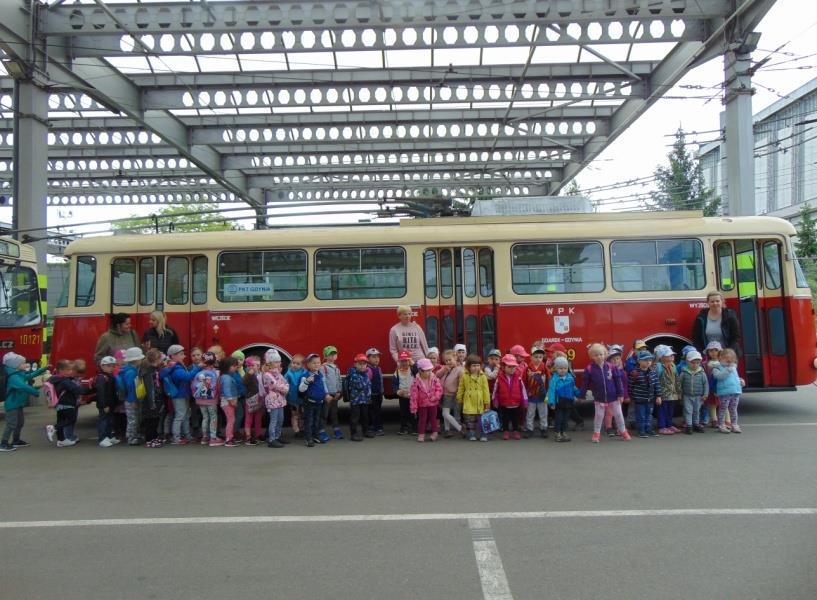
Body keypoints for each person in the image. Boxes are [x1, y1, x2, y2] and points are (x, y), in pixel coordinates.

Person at [581, 343, 629, 443]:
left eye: (601, 354)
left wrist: (621, 394)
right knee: (598, 416)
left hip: (614, 397)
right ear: (592, 357)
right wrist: (582, 395)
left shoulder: (612, 367)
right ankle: (596, 433)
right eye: (596, 355)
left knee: (619, 415)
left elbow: (618, 381)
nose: (599, 356)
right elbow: (585, 383)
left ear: (605, 354)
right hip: (599, 398)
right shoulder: (589, 369)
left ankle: (623, 431)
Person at [0, 353, 46, 452]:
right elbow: (23, 386)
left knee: (20, 423)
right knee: (11, 424)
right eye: (23, 363)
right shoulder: (14, 377)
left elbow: (30, 376)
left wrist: (42, 369)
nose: (25, 365)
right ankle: (3, 443)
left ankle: (16, 440)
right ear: (15, 365)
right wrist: (35, 392)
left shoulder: (18, 374)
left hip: (18, 404)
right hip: (12, 404)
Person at [161, 345, 201, 446]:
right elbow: (186, 377)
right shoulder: (175, 368)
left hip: (182, 394)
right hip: (179, 395)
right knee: (180, 416)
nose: (184, 356)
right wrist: (197, 368)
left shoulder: (176, 366)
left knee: (186, 415)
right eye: (181, 354)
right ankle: (176, 438)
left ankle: (186, 435)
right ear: (173, 356)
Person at [50, 360, 92, 447]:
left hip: (59, 404)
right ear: (61, 371)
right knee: (71, 419)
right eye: (69, 370)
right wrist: (92, 388)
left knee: (61, 420)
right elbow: (78, 390)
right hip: (67, 403)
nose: (71, 372)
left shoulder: (56, 378)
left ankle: (61, 440)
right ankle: (53, 428)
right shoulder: (65, 381)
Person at [492, 354, 527, 440]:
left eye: (514, 367)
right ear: (503, 367)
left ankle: (515, 431)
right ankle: (506, 431)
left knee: (515, 418)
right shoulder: (499, 378)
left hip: (516, 403)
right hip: (504, 403)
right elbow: (495, 391)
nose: (512, 369)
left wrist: (525, 401)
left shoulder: (518, 378)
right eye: (509, 367)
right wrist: (495, 400)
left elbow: (523, 391)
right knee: (505, 418)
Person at [299, 353, 331, 448]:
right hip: (309, 402)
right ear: (308, 365)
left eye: (318, 362)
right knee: (309, 420)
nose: (317, 364)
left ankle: (316, 436)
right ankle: (308, 438)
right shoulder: (305, 375)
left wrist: (326, 394)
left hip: (319, 402)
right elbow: (301, 389)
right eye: (314, 363)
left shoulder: (320, 374)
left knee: (317, 420)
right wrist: (307, 381)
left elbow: (323, 385)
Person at [259, 351, 290, 448]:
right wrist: (285, 388)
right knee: (274, 420)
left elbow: (284, 381)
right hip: (272, 401)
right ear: (270, 363)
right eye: (276, 362)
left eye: (279, 361)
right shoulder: (267, 375)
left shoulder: (278, 373)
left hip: (280, 400)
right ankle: (272, 439)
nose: (279, 363)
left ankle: (277, 436)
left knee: (280, 419)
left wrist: (285, 386)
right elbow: (275, 385)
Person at [456, 354, 490, 442]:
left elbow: (486, 390)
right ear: (468, 366)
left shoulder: (483, 376)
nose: (476, 368)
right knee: (470, 420)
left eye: (478, 365)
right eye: (473, 366)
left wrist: (487, 403)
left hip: (480, 401)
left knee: (482, 420)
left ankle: (483, 434)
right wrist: (459, 398)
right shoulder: (465, 376)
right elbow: (461, 388)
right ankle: (472, 434)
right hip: (469, 401)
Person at [711, 348, 745, 434]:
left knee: (733, 409)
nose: (729, 361)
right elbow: (719, 376)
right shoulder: (717, 368)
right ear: (721, 358)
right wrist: (728, 370)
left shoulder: (733, 367)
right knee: (723, 408)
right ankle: (721, 425)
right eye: (726, 359)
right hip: (725, 392)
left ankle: (734, 425)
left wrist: (740, 381)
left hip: (735, 391)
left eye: (731, 359)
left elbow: (735, 378)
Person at [629, 350, 661, 438]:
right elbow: (630, 385)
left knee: (649, 415)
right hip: (639, 399)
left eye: (650, 360)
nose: (648, 362)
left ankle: (648, 429)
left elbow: (657, 385)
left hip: (650, 399)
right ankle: (641, 430)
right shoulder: (635, 373)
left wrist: (658, 396)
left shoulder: (653, 372)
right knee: (641, 415)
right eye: (645, 360)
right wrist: (631, 396)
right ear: (639, 361)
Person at [409, 358, 443, 443]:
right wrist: (414, 407)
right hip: (422, 404)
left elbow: (439, 389)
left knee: (433, 419)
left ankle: (435, 433)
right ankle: (421, 434)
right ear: (420, 370)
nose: (429, 372)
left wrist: (435, 397)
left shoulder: (434, 378)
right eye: (426, 370)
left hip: (433, 403)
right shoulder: (416, 381)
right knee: (422, 419)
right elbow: (414, 395)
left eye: (429, 370)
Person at [192, 351, 222, 446]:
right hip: (211, 400)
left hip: (200, 399)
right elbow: (218, 387)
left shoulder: (199, 372)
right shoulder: (215, 373)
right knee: (213, 417)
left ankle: (205, 437)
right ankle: (213, 437)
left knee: (205, 417)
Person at [547, 356, 580, 442]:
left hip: (568, 402)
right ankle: (557, 433)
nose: (563, 370)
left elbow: (574, 388)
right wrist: (551, 402)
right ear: (556, 369)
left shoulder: (570, 378)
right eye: (560, 368)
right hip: (559, 403)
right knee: (559, 418)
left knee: (565, 419)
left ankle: (563, 432)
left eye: (565, 368)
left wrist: (579, 394)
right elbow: (551, 391)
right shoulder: (554, 379)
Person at [140, 349, 167, 448]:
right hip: (150, 401)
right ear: (157, 359)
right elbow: (150, 388)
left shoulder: (154, 369)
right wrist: (152, 403)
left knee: (155, 420)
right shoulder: (148, 372)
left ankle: (154, 437)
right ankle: (149, 439)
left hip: (156, 399)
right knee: (150, 421)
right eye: (160, 358)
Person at [118, 347, 145, 446]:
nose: (142, 360)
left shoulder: (130, 370)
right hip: (131, 400)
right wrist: (133, 400)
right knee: (133, 419)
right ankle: (131, 438)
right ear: (136, 360)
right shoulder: (131, 372)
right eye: (140, 359)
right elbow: (130, 387)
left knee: (134, 418)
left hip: (130, 399)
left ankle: (134, 435)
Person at [679, 350, 708, 434]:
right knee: (688, 410)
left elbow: (706, 384)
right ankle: (689, 426)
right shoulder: (684, 372)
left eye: (697, 363)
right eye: (693, 362)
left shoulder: (702, 373)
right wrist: (680, 394)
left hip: (698, 396)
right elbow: (679, 384)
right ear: (687, 362)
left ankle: (696, 424)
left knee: (696, 410)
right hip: (687, 395)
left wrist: (705, 394)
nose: (695, 365)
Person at [93, 356, 120, 448]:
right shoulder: (102, 378)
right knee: (104, 420)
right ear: (102, 366)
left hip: (111, 403)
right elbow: (101, 393)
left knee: (110, 421)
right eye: (108, 366)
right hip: (105, 404)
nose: (111, 368)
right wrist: (104, 405)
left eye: (113, 366)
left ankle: (109, 436)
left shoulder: (110, 376)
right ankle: (102, 438)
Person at [654, 345, 681, 435]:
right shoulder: (658, 367)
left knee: (670, 410)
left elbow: (677, 379)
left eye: (672, 355)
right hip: (663, 394)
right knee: (662, 410)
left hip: (672, 394)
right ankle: (662, 426)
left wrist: (678, 391)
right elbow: (656, 380)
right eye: (669, 355)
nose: (672, 356)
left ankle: (669, 424)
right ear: (661, 357)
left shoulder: (673, 366)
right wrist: (657, 394)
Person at [437, 349, 464, 438]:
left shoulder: (460, 370)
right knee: (446, 413)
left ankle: (459, 428)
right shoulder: (445, 368)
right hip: (444, 393)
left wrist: (460, 394)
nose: (448, 362)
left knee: (445, 413)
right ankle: (447, 430)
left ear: (455, 358)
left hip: (452, 394)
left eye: (450, 360)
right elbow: (437, 375)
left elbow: (461, 383)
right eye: (446, 360)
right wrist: (444, 370)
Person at [347, 353, 373, 441]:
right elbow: (361, 385)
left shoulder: (365, 373)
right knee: (355, 417)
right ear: (355, 364)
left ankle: (365, 430)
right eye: (360, 364)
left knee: (365, 416)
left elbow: (368, 386)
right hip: (356, 400)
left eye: (364, 364)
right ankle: (353, 433)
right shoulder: (353, 374)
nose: (362, 366)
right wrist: (367, 382)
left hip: (365, 400)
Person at [524, 347, 549, 439]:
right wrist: (524, 393)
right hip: (531, 395)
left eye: (540, 357)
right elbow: (524, 381)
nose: (538, 359)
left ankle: (543, 428)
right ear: (531, 357)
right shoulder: (527, 368)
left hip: (542, 395)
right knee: (530, 413)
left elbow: (548, 381)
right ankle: (530, 429)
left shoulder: (544, 368)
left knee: (543, 413)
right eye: (536, 356)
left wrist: (548, 392)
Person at [605, 344, 629, 437]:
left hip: (619, 396)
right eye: (613, 359)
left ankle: (620, 428)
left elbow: (624, 385)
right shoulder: (607, 371)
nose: (616, 361)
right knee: (609, 412)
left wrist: (625, 395)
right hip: (609, 395)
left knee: (619, 413)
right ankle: (608, 427)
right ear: (609, 361)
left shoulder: (622, 372)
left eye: (618, 358)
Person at [320, 345, 343, 441]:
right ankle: (321, 431)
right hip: (327, 395)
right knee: (324, 414)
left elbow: (339, 380)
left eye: (334, 354)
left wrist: (339, 391)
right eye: (330, 354)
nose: (333, 356)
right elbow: (323, 381)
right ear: (325, 356)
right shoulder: (323, 368)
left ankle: (336, 430)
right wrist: (326, 394)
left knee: (334, 413)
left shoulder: (336, 367)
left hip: (335, 394)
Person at [703, 342, 728, 428]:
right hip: (711, 386)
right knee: (712, 404)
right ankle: (714, 420)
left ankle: (727, 421)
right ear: (707, 352)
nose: (713, 353)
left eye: (716, 350)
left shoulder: (724, 363)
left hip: (722, 386)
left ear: (720, 351)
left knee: (724, 404)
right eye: (711, 351)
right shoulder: (705, 364)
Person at [219, 356, 241, 447]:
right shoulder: (227, 378)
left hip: (227, 401)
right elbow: (227, 391)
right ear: (229, 366)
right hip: (227, 402)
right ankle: (229, 439)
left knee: (231, 419)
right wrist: (232, 401)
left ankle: (230, 437)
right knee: (231, 420)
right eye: (235, 366)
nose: (236, 367)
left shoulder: (225, 376)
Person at [242, 357, 264, 445]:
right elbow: (243, 381)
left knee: (258, 418)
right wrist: (248, 374)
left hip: (259, 398)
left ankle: (258, 434)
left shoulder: (260, 373)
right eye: (255, 365)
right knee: (249, 417)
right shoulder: (249, 373)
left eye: (259, 365)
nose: (257, 367)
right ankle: (248, 436)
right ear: (250, 365)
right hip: (250, 399)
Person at [284, 353, 306, 438]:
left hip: (302, 398)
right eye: (293, 363)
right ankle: (296, 430)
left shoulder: (303, 372)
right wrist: (285, 396)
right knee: (294, 414)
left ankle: (302, 428)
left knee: (302, 414)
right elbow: (284, 384)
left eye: (298, 364)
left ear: (302, 365)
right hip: (292, 399)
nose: (295, 365)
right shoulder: (288, 373)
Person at [394, 350, 415, 435]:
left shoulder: (413, 370)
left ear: (409, 361)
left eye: (406, 360)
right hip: (402, 396)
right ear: (399, 361)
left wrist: (413, 363)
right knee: (403, 412)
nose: (404, 363)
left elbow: (418, 371)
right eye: (402, 361)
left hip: (413, 395)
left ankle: (414, 428)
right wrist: (398, 391)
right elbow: (395, 384)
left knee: (413, 412)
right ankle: (404, 428)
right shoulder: (397, 372)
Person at [366, 348, 385, 436]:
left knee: (378, 411)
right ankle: (372, 428)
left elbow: (380, 381)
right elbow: (367, 383)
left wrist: (382, 391)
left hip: (378, 394)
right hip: (371, 395)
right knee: (371, 412)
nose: (377, 359)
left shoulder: (379, 368)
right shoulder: (368, 370)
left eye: (378, 357)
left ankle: (379, 427)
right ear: (368, 359)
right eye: (374, 357)